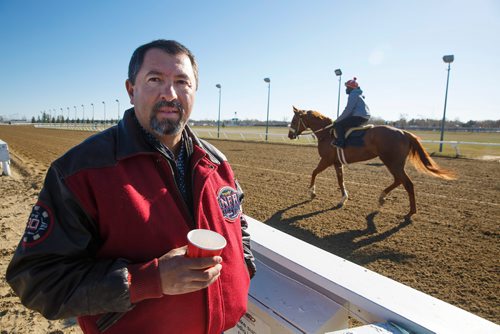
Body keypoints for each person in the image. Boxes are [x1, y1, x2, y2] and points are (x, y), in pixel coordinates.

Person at [6, 39, 256, 334]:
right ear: (130, 90)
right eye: (155, 79)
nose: (170, 93)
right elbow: (37, 281)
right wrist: (150, 280)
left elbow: (236, 225)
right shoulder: (81, 171)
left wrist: (242, 270)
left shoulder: (216, 162)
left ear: (194, 91)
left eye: (182, 82)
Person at [332, 77, 371, 148]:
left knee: (338, 125)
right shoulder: (358, 94)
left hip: (359, 116)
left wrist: (337, 120)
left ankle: (341, 143)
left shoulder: (353, 94)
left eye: (347, 87)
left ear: (351, 88)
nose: (346, 89)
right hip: (364, 116)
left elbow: (348, 109)